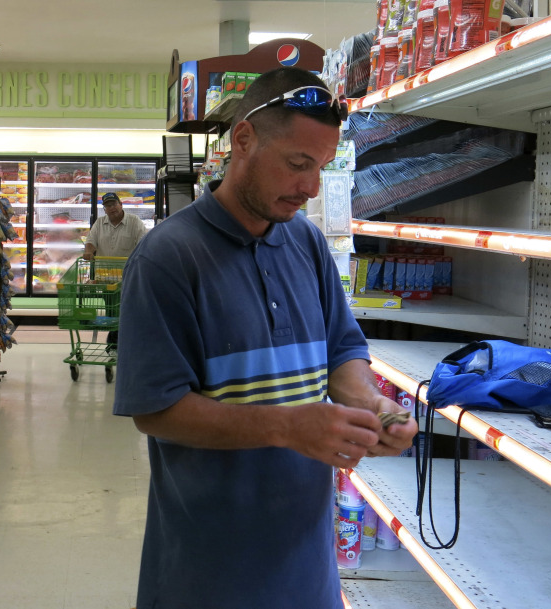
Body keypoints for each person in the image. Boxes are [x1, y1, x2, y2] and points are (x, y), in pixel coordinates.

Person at [112, 68, 418, 609]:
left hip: (308, 563)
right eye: (298, 164)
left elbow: (342, 347)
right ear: (244, 141)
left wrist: (368, 405)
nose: (311, 187)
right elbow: (154, 409)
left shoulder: (305, 240)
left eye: (321, 167)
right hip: (207, 568)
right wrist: (287, 425)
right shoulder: (167, 257)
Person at [84, 192, 147, 349]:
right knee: (112, 310)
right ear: (104, 209)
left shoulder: (134, 222)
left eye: (114, 204)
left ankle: (117, 342)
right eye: (108, 206)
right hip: (105, 278)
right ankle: (116, 342)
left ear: (121, 205)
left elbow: (143, 243)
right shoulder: (99, 223)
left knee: (126, 310)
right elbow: (91, 241)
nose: (112, 208)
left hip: (128, 277)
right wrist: (89, 251)